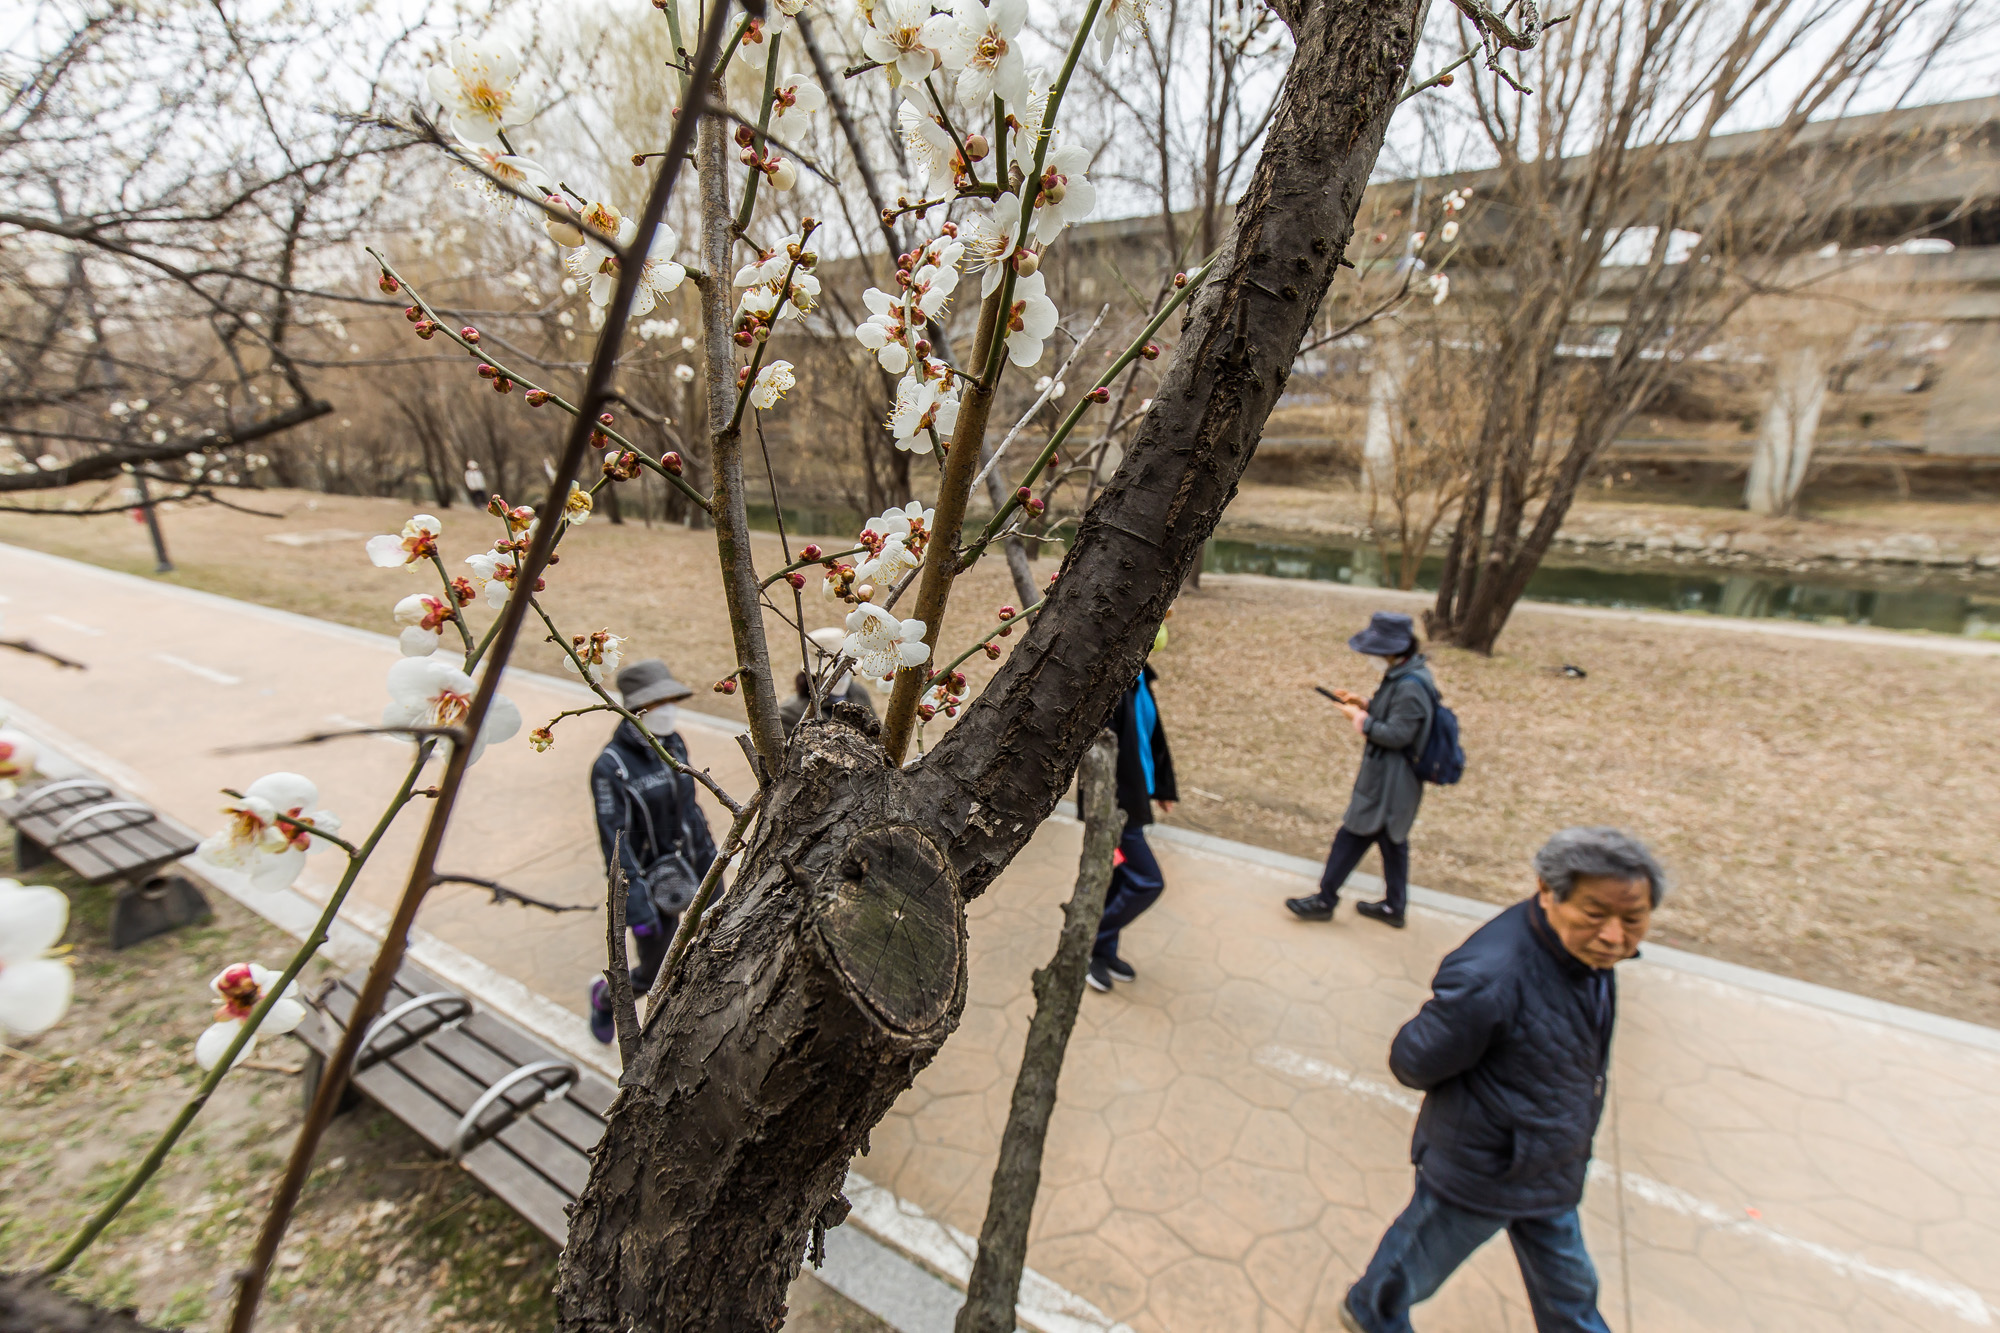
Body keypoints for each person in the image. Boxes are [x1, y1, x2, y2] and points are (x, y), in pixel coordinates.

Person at [1338, 827, 1666, 1333]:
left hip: (1550, 1162)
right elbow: (1413, 1061)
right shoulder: (1491, 978)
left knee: (1571, 1293)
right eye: (1595, 915)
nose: (1615, 937)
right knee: (1413, 1266)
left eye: (1634, 920)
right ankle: (1370, 1311)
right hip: (1483, 1168)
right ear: (1546, 891)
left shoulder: (1587, 954)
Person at [587, 659, 718, 1044]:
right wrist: (637, 908)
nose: (667, 712)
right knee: (654, 969)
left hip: (697, 866)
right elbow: (614, 843)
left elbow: (691, 810)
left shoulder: (674, 742)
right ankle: (604, 997)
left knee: (713, 943)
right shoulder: (610, 767)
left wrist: (713, 863)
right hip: (650, 885)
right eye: (655, 705)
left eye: (671, 701)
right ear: (633, 710)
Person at [1287, 611, 1435, 929]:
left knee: (1352, 834)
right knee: (1393, 843)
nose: (1372, 656)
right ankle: (1394, 907)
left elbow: (1398, 734)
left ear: (1394, 649)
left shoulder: (1410, 685)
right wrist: (1365, 703)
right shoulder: (1406, 673)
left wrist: (1359, 719)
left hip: (1388, 785)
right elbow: (1397, 715)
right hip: (1393, 784)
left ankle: (1325, 900)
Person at [1086, 657, 1177, 994]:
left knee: (1119, 880)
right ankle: (1090, 940)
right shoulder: (1112, 682)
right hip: (1116, 809)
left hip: (1136, 801)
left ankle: (1102, 952)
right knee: (1147, 882)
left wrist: (1163, 788)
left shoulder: (1140, 676)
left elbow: (1153, 735)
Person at [781, 627, 877, 735]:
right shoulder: (789, 715)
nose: (844, 679)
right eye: (837, 675)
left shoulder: (858, 693)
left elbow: (877, 737)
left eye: (848, 671)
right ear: (815, 676)